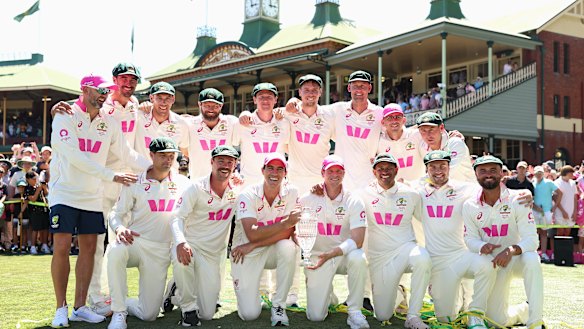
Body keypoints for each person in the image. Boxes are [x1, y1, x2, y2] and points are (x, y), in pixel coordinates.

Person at [48, 75, 149, 328]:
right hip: (65, 192)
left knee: (89, 250)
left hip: (92, 195)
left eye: (107, 90)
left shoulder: (110, 121)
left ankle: (80, 307)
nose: (104, 94)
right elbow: (72, 155)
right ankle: (61, 308)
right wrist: (111, 175)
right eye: (99, 89)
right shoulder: (64, 114)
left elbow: (126, 154)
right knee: (61, 248)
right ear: (84, 89)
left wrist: (158, 168)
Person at [106, 137, 190, 329]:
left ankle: (123, 302)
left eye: (171, 156)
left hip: (161, 250)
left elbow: (205, 190)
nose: (168, 160)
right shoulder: (134, 181)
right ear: (151, 155)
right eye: (162, 156)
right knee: (115, 250)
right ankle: (119, 312)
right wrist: (119, 228)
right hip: (136, 242)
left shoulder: (183, 183)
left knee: (149, 314)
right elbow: (115, 214)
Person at [415, 150, 496, 327]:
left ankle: (476, 313)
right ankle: (455, 298)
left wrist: (522, 194)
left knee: (488, 264)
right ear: (427, 169)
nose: (438, 170)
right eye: (433, 166)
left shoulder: (465, 188)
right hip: (438, 262)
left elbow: (493, 189)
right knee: (446, 319)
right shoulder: (418, 192)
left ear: (449, 167)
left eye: (442, 166)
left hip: (462, 255)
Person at [463, 155, 543, 329]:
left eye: (493, 170)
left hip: (514, 259)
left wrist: (511, 250)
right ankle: (524, 310)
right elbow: (469, 238)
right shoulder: (469, 204)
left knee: (532, 259)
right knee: (498, 321)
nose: (488, 174)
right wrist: (481, 246)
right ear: (476, 174)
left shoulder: (518, 199)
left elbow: (532, 240)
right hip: (491, 263)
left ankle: (535, 321)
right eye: (482, 170)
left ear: (502, 174)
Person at [171, 145, 240, 326]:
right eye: (220, 161)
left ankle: (176, 289)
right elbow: (177, 217)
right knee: (182, 260)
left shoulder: (238, 190)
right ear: (211, 162)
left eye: (229, 162)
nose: (225, 165)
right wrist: (180, 242)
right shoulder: (195, 187)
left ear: (235, 165)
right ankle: (187, 308)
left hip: (212, 255)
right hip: (190, 245)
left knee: (208, 314)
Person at [361, 153, 431, 329]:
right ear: (374, 172)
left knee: (422, 258)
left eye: (389, 168)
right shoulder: (363, 194)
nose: (385, 172)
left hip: (405, 249)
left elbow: (428, 220)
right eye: (380, 168)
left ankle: (413, 316)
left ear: (396, 170)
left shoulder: (411, 194)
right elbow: (341, 198)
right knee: (382, 315)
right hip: (380, 258)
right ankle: (398, 292)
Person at [299, 155, 369, 329]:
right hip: (317, 257)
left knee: (359, 257)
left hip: (342, 255)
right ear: (323, 172)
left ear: (344, 174)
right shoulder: (307, 198)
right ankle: (328, 295)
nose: (335, 174)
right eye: (330, 170)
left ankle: (354, 311)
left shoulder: (353, 200)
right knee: (316, 317)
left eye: (339, 171)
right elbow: (296, 229)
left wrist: (332, 253)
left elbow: (358, 240)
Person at [230, 153, 299, 326]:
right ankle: (253, 295)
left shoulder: (292, 192)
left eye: (279, 169)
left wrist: (255, 244)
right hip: (244, 252)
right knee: (249, 314)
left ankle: (279, 305)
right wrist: (284, 224)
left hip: (260, 248)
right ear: (262, 171)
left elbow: (288, 232)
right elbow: (251, 233)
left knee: (288, 247)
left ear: (285, 173)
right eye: (270, 168)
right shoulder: (248, 194)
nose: (274, 173)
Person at [232, 83, 290, 186]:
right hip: (249, 185)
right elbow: (229, 145)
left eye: (269, 97)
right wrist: (234, 172)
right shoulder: (243, 123)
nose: (265, 100)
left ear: (275, 99)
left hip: (276, 184)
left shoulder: (284, 123)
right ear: (254, 100)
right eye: (261, 97)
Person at [185, 88, 238, 181]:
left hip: (224, 183)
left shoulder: (231, 122)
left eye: (215, 106)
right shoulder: (189, 124)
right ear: (199, 104)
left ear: (221, 106)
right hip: (198, 182)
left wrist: (245, 113)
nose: (211, 109)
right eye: (207, 105)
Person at [134, 82, 189, 166]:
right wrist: (138, 107)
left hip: (169, 176)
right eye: (159, 98)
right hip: (143, 174)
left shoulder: (181, 123)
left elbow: (186, 151)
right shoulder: (139, 116)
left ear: (173, 99)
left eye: (167, 98)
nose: (163, 102)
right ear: (151, 98)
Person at [416, 112, 474, 182]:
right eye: (423, 130)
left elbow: (444, 174)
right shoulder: (422, 147)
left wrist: (414, 185)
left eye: (431, 130)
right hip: (444, 190)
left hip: (467, 190)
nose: (428, 135)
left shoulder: (455, 143)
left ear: (441, 128)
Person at [532, 165, 560, 261]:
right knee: (534, 233)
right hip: (534, 211)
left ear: (543, 174)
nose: (538, 175)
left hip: (546, 211)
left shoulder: (549, 182)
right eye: (537, 173)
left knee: (544, 233)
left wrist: (555, 206)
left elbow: (559, 193)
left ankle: (543, 253)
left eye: (540, 173)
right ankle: (535, 253)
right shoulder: (533, 183)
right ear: (534, 174)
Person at [23, 171, 50, 254]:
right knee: (35, 229)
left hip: (44, 210)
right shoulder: (27, 188)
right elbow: (33, 199)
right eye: (34, 178)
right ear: (28, 179)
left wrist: (44, 188)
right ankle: (33, 246)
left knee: (45, 228)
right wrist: (38, 190)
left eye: (36, 178)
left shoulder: (38, 186)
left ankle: (44, 245)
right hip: (34, 211)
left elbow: (46, 194)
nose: (36, 180)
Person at [553, 165, 578, 237]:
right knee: (560, 233)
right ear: (567, 173)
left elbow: (575, 198)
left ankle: (566, 248)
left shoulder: (573, 183)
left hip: (571, 212)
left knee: (568, 233)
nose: (573, 175)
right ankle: (559, 248)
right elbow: (555, 198)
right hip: (559, 212)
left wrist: (575, 212)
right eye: (571, 173)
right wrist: (563, 212)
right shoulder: (556, 183)